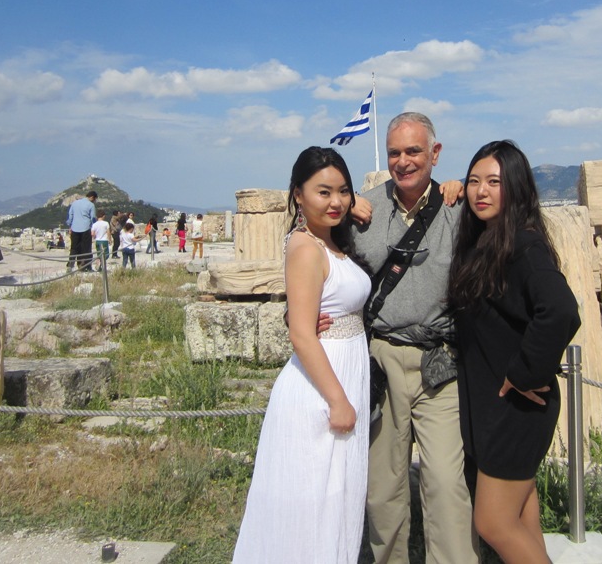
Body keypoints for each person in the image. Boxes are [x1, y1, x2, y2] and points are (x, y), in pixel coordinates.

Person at [233, 147, 372, 563]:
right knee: (315, 501)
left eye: (343, 192)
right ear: (297, 195)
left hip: (344, 369)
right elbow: (302, 334)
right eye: (323, 192)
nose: (335, 202)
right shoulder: (306, 247)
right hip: (321, 385)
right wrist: (337, 399)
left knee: (335, 498)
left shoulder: (329, 240)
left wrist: (360, 203)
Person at [354, 112, 479, 564]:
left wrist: (465, 187)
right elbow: (309, 240)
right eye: (394, 153)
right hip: (383, 358)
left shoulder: (457, 209)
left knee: (446, 481)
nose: (403, 162)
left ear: (435, 154)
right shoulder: (363, 210)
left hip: (438, 362)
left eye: (413, 151)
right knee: (384, 487)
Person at [447, 140, 580, 564]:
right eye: (473, 181)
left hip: (518, 405)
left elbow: (560, 310)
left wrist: (525, 371)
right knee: (521, 517)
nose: (480, 191)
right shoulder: (486, 241)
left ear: (516, 189)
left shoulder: (524, 246)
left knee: (494, 523)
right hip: (497, 406)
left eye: (494, 182)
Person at [66, 191, 97, 272]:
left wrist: (70, 225)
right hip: (86, 228)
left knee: (74, 248)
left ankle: (70, 265)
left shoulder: (75, 203)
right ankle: (85, 266)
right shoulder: (91, 205)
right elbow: (93, 217)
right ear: (92, 197)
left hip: (75, 228)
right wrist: (94, 226)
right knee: (86, 248)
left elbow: (70, 215)